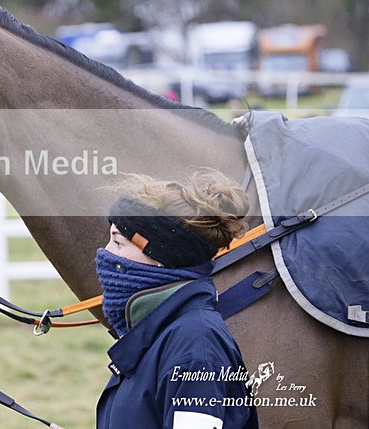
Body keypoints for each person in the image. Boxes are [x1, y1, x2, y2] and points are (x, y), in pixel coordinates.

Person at [94, 170, 259, 429]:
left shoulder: (196, 348)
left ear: (161, 257)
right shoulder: (164, 333)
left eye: (117, 242)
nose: (105, 253)